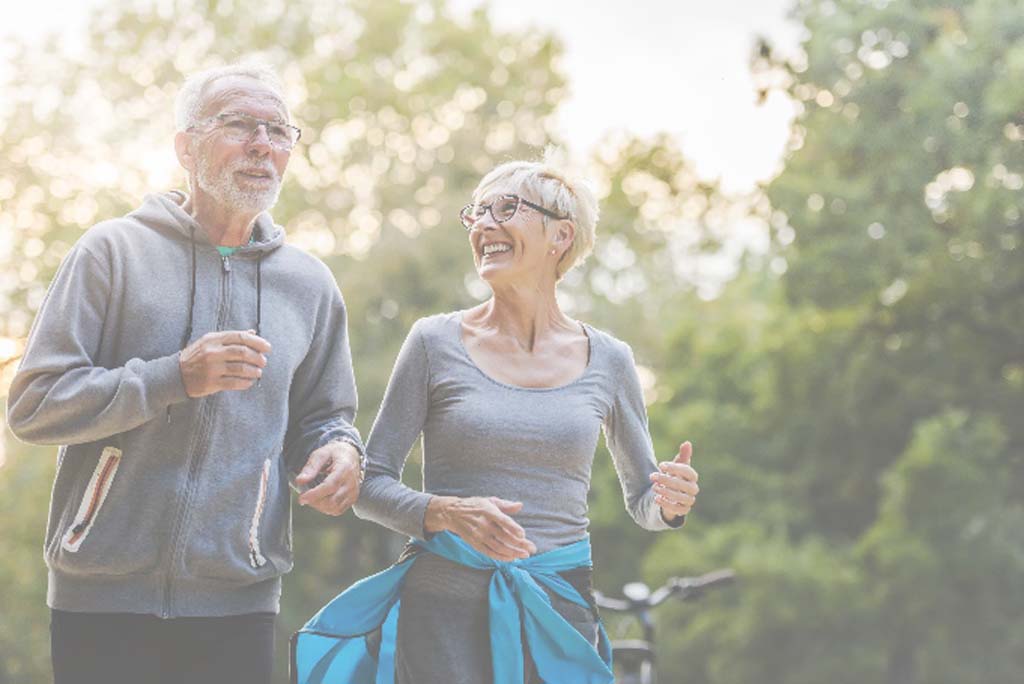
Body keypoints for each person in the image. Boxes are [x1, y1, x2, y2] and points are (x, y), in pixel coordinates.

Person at [6, 63, 365, 684]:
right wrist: (173, 377)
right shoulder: (111, 252)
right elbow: (35, 405)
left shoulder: (309, 284)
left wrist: (340, 449)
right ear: (185, 147)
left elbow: (325, 416)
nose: (262, 145)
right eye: (239, 125)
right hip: (101, 594)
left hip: (239, 596)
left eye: (279, 131)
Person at [292, 157, 699, 683]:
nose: (484, 224)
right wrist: (444, 512)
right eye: (477, 213)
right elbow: (368, 484)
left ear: (561, 235)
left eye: (506, 208)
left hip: (559, 612)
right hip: (441, 615)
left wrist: (669, 503)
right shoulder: (433, 342)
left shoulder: (611, 360)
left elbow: (644, 500)